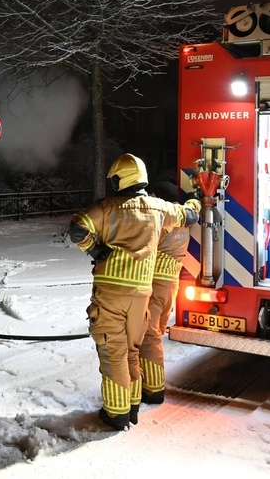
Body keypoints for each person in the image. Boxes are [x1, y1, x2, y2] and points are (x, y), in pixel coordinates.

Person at [69, 154, 200, 431]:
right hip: (141, 293)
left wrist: (94, 249)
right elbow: (189, 215)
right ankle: (132, 407)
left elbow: (77, 228)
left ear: (121, 179)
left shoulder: (106, 208)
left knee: (112, 350)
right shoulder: (159, 208)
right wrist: (198, 199)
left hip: (111, 293)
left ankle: (116, 414)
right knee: (132, 349)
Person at [139, 182, 195, 405]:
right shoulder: (183, 217)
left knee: (148, 335)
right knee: (156, 332)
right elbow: (194, 206)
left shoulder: (163, 221)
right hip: (171, 284)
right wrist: (194, 197)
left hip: (155, 284)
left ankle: (153, 390)